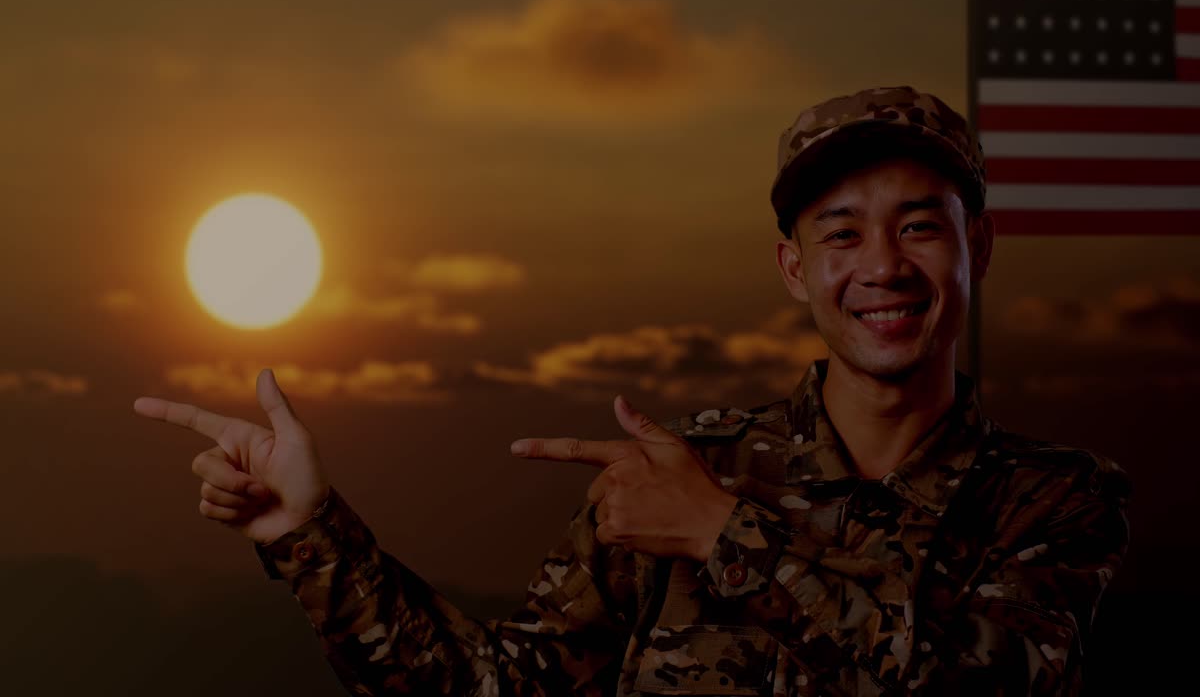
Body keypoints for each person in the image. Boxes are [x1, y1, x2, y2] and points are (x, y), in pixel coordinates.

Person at [134, 85, 1131, 696]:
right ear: (793, 267)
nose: (881, 265)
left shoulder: (1052, 499)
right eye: (840, 232)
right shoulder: (676, 470)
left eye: (919, 225)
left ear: (976, 250)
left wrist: (722, 538)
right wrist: (310, 530)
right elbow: (498, 691)